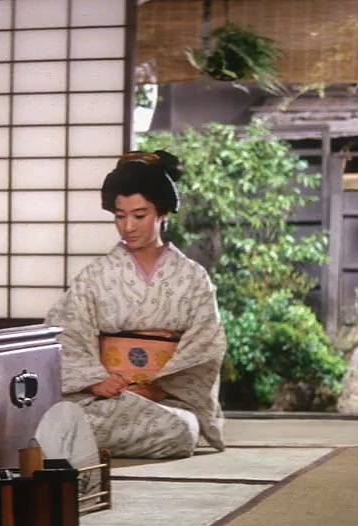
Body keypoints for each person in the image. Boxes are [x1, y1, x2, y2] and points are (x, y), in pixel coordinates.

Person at [42, 150, 227, 459]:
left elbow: (205, 346)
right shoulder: (96, 275)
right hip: (105, 397)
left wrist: (160, 388)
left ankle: (73, 439)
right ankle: (75, 434)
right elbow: (66, 332)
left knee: (180, 430)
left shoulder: (193, 278)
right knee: (70, 416)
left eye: (139, 215)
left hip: (165, 401)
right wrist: (97, 381)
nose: (128, 226)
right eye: (120, 215)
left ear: (162, 214)